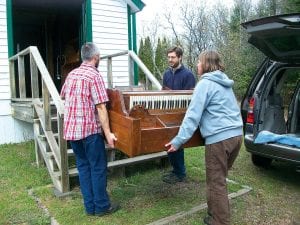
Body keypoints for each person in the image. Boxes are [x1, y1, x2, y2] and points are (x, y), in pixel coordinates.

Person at [165, 50, 243, 225]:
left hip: (220, 139)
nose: (197, 65)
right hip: (237, 136)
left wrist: (178, 141)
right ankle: (214, 213)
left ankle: (219, 221)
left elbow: (192, 116)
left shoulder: (205, 84)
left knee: (216, 182)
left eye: (199, 62)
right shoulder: (224, 81)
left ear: (206, 64)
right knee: (218, 178)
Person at [60, 42, 120, 217]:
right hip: (89, 132)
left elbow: (63, 96)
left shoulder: (71, 74)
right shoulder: (94, 75)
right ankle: (101, 206)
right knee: (98, 168)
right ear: (96, 57)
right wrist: (108, 134)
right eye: (99, 57)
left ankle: (90, 207)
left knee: (84, 168)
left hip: (72, 132)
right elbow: (101, 107)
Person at [162, 46, 196, 184]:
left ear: (180, 57)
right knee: (168, 141)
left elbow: (191, 98)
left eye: (173, 57)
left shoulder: (188, 75)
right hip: (167, 114)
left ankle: (180, 173)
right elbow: (163, 92)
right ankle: (176, 170)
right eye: (169, 57)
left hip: (182, 116)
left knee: (178, 142)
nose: (170, 60)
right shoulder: (166, 74)